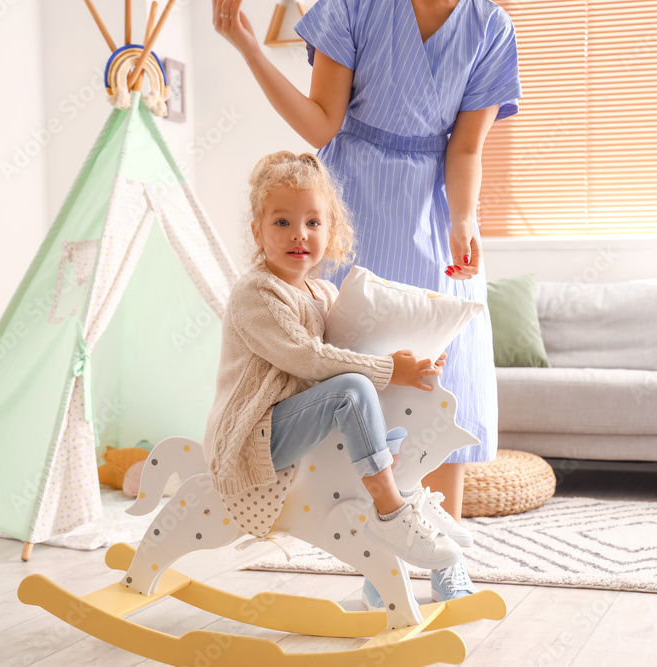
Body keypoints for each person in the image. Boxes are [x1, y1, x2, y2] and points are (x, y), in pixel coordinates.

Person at [212, 0, 521, 603]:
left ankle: (445, 552)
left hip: (433, 216)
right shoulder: (355, 6)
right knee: (365, 372)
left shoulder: (491, 27)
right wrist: (250, 47)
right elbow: (322, 124)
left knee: (445, 372)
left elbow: (465, 149)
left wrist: (464, 221)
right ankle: (383, 558)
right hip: (355, 205)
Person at [203, 150, 470, 571]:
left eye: (312, 223)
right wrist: (386, 370)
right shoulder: (255, 294)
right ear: (257, 232)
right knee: (353, 388)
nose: (299, 235)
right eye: (282, 222)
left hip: (302, 421)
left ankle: (411, 497)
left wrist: (414, 358)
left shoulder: (325, 294)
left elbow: (355, 349)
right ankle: (391, 513)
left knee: (391, 413)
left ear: (331, 231)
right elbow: (309, 359)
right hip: (256, 431)